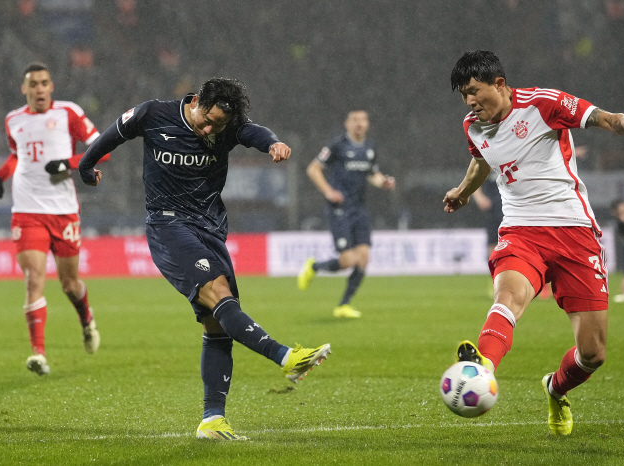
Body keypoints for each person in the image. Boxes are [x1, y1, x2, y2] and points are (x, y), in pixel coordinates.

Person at [78, 77, 331, 441]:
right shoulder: (154, 114)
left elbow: (255, 132)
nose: (209, 130)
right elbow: (112, 135)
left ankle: (212, 420)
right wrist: (86, 166)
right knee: (218, 294)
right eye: (207, 121)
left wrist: (273, 143)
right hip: (168, 225)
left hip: (211, 230)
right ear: (195, 101)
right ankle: (286, 357)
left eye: (218, 126)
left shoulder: (227, 127)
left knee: (218, 325)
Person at [443, 50, 624, 436]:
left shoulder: (543, 103)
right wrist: (463, 192)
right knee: (509, 297)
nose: (469, 101)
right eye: (463, 95)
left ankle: (555, 388)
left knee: (593, 353)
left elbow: (603, 118)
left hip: (575, 233)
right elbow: (482, 160)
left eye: (473, 91)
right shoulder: (473, 126)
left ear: (499, 84)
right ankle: (482, 367)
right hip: (521, 231)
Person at [0, 62, 109, 376]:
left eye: (44, 83)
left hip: (63, 211)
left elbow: (103, 150)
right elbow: (18, 155)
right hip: (27, 211)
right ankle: (38, 354)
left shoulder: (68, 113)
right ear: (24, 89)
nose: (39, 89)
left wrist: (68, 162)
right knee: (33, 279)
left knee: (69, 284)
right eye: (33, 84)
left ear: (51, 87)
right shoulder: (13, 120)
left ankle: (86, 319)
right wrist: (0, 176)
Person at [297, 110, 395, 318]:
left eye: (363, 120)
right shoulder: (337, 145)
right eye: (355, 120)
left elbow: (372, 174)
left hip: (359, 209)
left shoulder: (369, 148)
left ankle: (343, 305)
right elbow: (313, 169)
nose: (359, 124)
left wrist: (384, 182)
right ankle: (314, 267)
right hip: (340, 209)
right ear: (347, 124)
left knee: (363, 259)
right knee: (348, 260)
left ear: (367, 124)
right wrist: (328, 192)